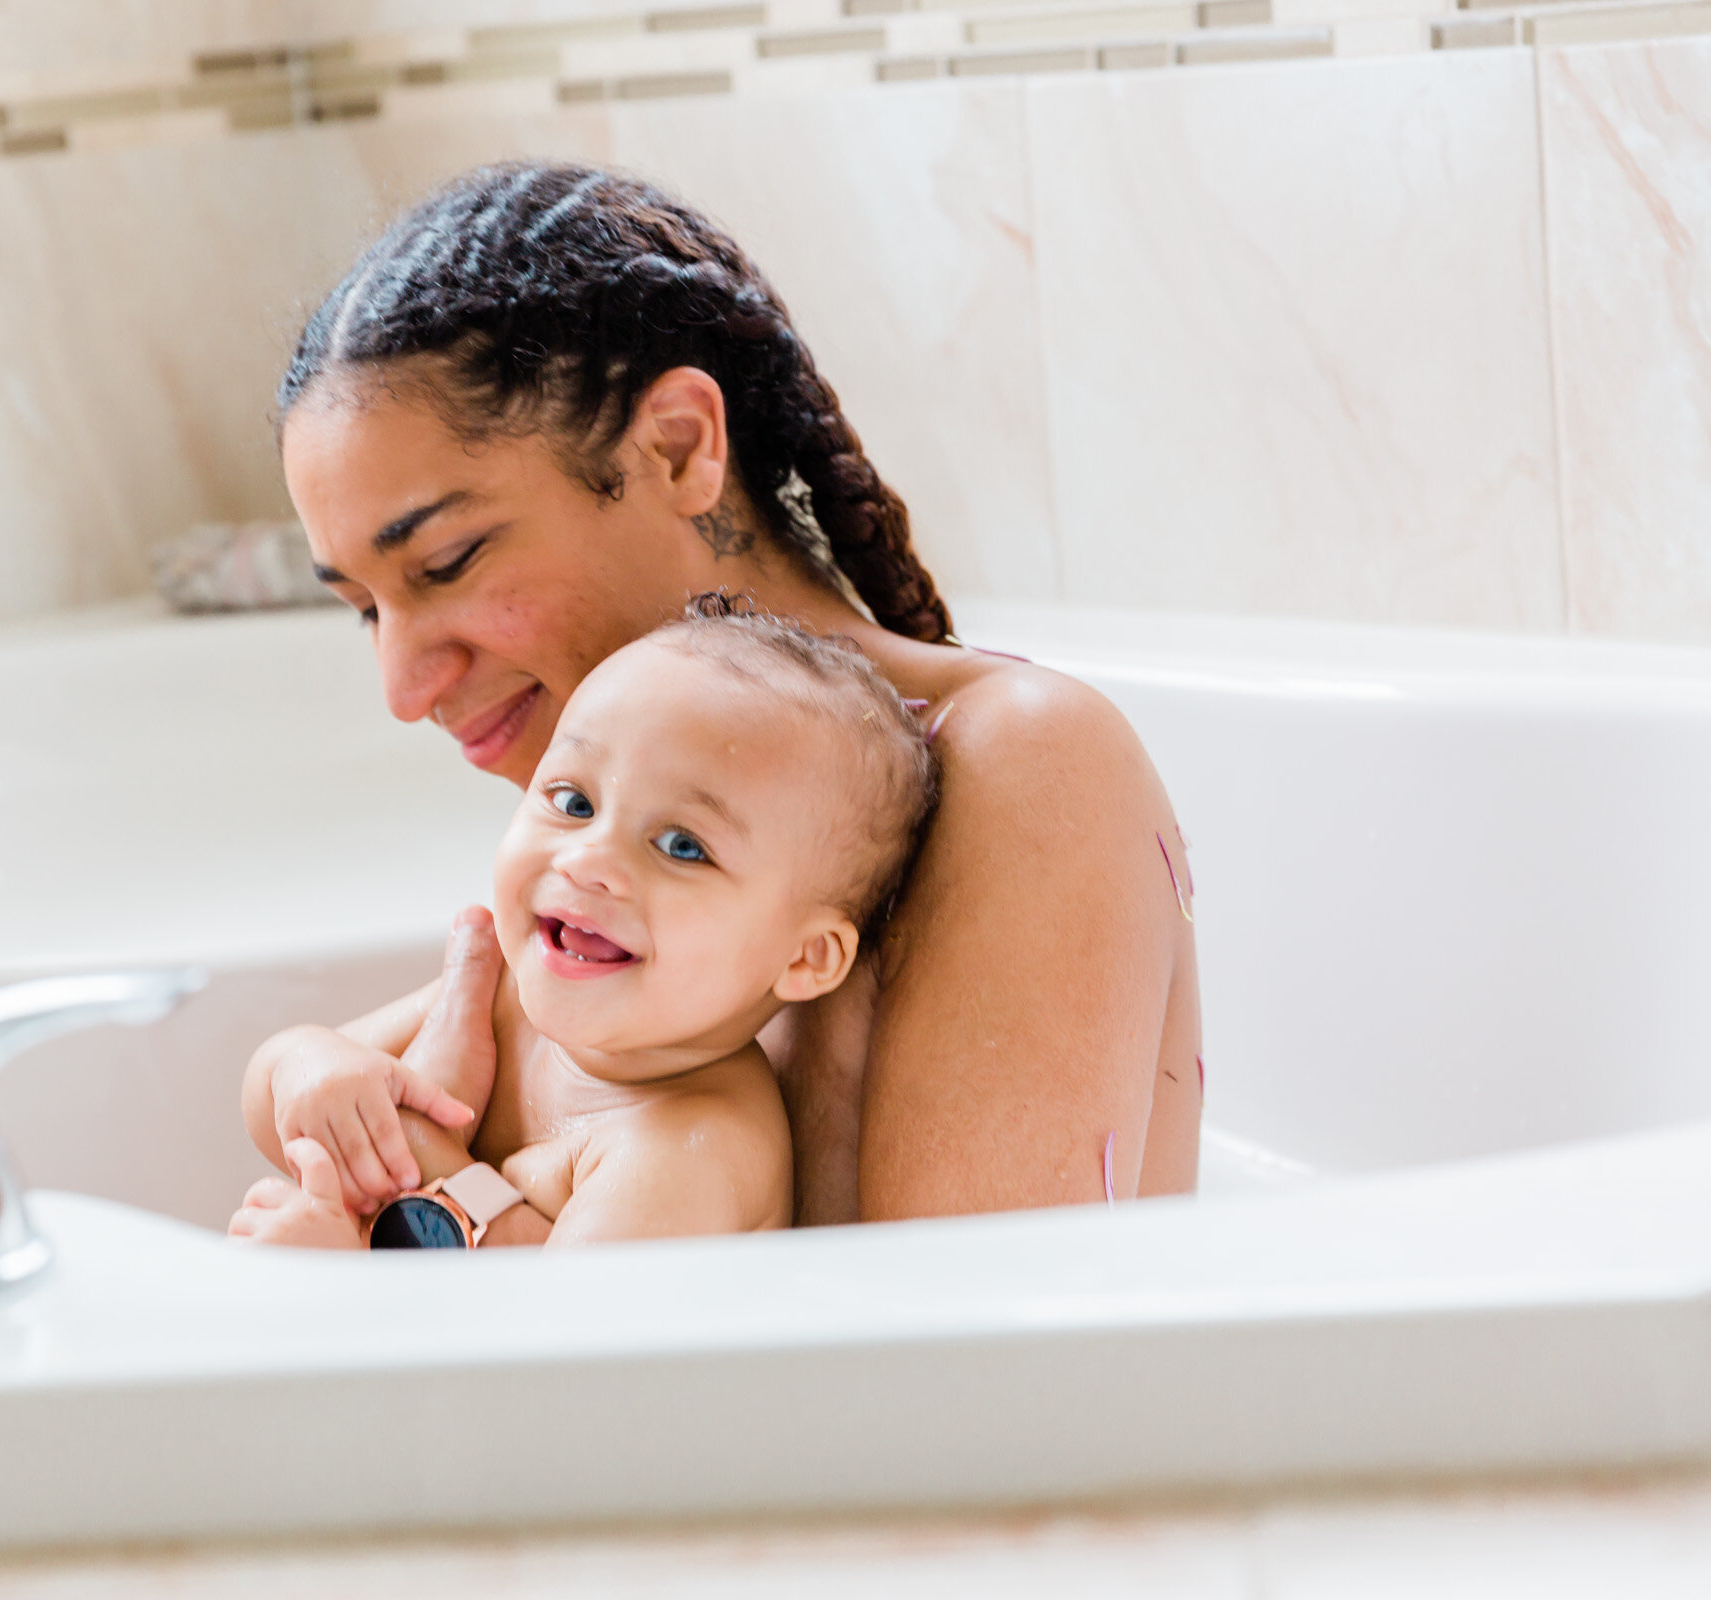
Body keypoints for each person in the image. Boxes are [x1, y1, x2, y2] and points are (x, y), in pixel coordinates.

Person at [265, 162, 1202, 1228]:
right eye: (366, 608)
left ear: (677, 447)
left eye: (449, 562)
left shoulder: (1020, 759)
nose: (403, 686)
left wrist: (449, 1203)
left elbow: (973, 1366)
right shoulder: (616, 835)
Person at [231, 605, 936, 1248]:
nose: (589, 858)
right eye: (572, 800)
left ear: (806, 956)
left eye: (682, 846)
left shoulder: (688, 1144)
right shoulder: (507, 995)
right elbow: (275, 1107)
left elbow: (559, 1361)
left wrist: (352, 1263)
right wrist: (309, 1067)